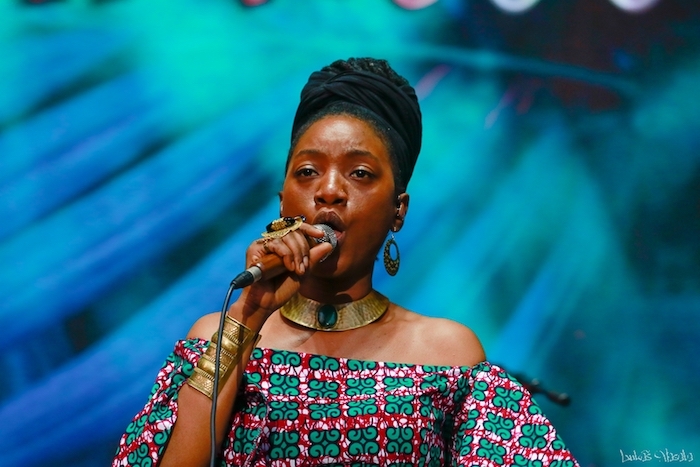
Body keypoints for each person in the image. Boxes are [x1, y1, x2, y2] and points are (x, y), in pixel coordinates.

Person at [113, 57, 579, 467]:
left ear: (398, 211)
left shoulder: (448, 355)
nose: (329, 191)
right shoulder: (219, 336)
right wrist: (248, 316)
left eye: (359, 173)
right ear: (282, 202)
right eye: (307, 172)